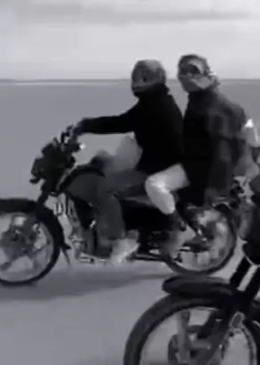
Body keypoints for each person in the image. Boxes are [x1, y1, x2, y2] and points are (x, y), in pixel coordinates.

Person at [72, 59, 183, 263]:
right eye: (136, 77)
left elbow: (122, 122)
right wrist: (87, 125)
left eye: (143, 78)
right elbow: (124, 121)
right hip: (150, 163)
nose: (137, 82)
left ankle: (120, 239)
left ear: (156, 79)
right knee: (101, 166)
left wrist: (87, 126)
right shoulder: (153, 102)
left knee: (107, 189)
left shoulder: (157, 106)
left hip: (156, 169)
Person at [145, 54, 249, 256]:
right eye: (182, 71)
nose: (186, 76)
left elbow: (222, 150)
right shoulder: (202, 99)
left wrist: (215, 185)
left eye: (193, 71)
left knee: (154, 184)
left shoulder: (211, 106)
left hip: (201, 168)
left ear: (207, 74)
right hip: (197, 162)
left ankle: (179, 229)